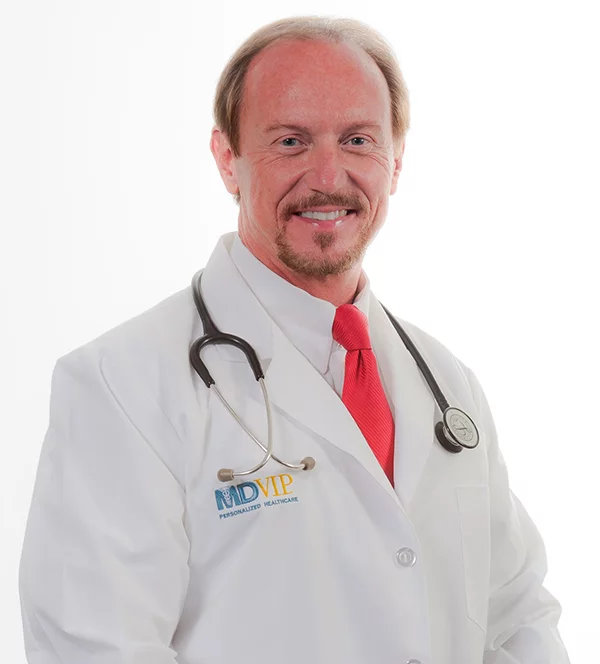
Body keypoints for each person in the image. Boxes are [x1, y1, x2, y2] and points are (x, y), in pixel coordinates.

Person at [19, 15, 571, 664]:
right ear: (227, 159)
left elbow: (515, 620)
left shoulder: (448, 385)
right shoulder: (123, 385)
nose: (328, 175)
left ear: (395, 160)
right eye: (290, 141)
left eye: (358, 140)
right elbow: (98, 649)